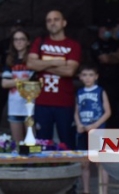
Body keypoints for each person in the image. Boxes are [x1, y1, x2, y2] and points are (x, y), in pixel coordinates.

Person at [27, 9, 81, 148]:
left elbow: (69, 71)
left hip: (64, 102)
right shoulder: (40, 42)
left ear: (64, 23)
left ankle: (70, 169)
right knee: (42, 143)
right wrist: (56, 62)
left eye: (56, 19)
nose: (52, 23)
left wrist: (42, 65)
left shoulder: (72, 45)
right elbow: (31, 64)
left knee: (67, 142)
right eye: (49, 20)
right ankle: (45, 169)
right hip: (42, 101)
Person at [74, 64, 111, 194]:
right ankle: (86, 190)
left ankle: (103, 190)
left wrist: (95, 125)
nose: (88, 78)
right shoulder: (79, 92)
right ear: (80, 77)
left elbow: (107, 112)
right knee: (84, 163)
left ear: (96, 77)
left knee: (100, 162)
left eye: (90, 75)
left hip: (97, 131)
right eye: (84, 75)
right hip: (83, 131)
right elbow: (76, 112)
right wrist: (79, 124)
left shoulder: (100, 91)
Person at [0, 19, 25, 135]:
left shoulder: (27, 44)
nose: (17, 29)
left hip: (23, 79)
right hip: (8, 77)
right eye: (15, 26)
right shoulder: (4, 43)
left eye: (20, 27)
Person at [90, 19, 119, 128]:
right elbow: (105, 59)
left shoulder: (117, 42)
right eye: (107, 28)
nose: (110, 31)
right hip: (105, 82)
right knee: (109, 109)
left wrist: (112, 56)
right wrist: (116, 57)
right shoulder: (96, 44)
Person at [0, 28, 35, 145]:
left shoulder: (32, 60)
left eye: (22, 39)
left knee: (32, 144)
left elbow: (31, 81)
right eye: (16, 40)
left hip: (30, 108)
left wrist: (14, 81)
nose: (18, 42)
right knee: (18, 145)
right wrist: (22, 80)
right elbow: (4, 84)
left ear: (28, 42)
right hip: (14, 107)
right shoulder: (10, 61)